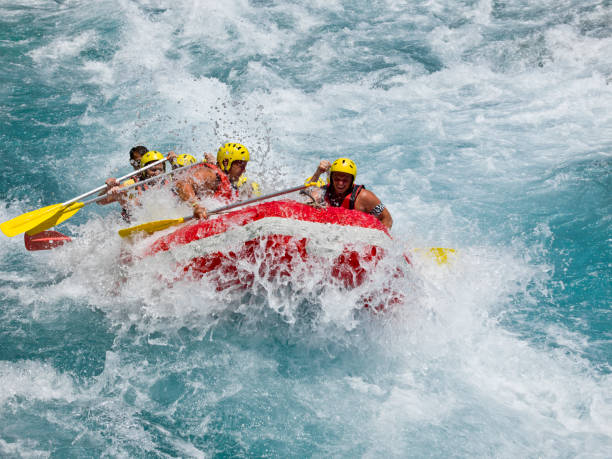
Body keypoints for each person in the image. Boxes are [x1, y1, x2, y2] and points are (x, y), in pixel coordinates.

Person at [174, 142, 258, 219]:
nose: (244, 170)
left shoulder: (228, 180)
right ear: (226, 163)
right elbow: (182, 184)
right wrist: (195, 206)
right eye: (241, 166)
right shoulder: (211, 174)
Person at [307, 157, 393, 229]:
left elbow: (387, 219)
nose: (340, 183)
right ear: (332, 179)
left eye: (345, 180)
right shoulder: (322, 192)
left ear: (352, 180)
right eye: (337, 179)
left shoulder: (363, 197)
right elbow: (303, 199)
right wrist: (317, 173)